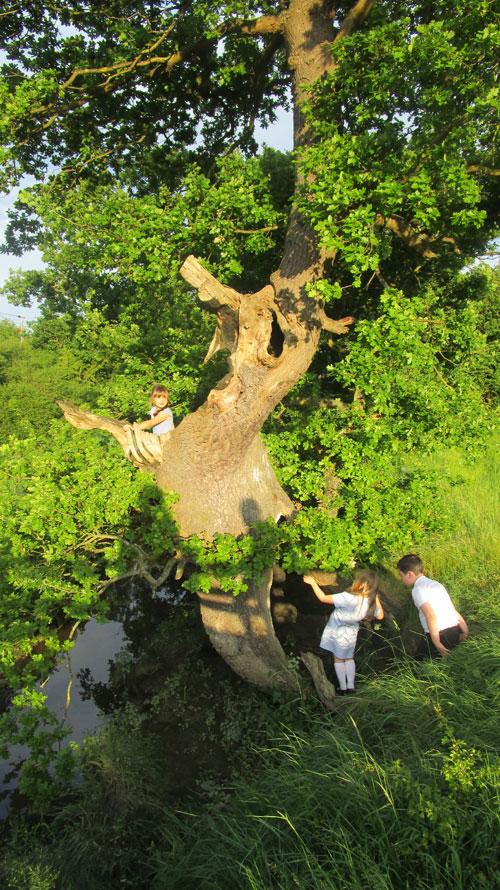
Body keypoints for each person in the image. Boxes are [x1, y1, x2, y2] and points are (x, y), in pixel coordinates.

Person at [303, 570, 384, 694]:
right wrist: (375, 597)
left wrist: (313, 583)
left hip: (338, 631)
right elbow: (380, 616)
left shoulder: (348, 598)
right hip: (351, 632)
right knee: (348, 658)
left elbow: (323, 598)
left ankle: (343, 688)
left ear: (362, 584)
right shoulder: (370, 601)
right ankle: (351, 686)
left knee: (339, 659)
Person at [397, 554, 469, 658]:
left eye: (401, 576)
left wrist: (436, 642)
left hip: (440, 635)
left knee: (417, 667)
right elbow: (451, 609)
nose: (401, 579)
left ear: (409, 574)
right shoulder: (435, 584)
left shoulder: (418, 590)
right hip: (454, 630)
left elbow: (430, 615)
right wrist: (465, 630)